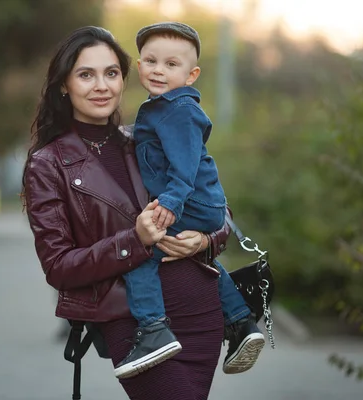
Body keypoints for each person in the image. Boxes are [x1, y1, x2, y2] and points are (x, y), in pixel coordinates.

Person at [23, 26, 232, 399]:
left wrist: (206, 238)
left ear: (124, 78)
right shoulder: (48, 164)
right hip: (135, 325)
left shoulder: (146, 139)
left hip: (200, 312)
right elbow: (58, 267)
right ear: (63, 85)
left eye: (111, 73)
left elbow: (216, 207)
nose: (101, 85)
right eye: (86, 74)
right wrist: (133, 241)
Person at [113, 22, 265, 378]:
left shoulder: (179, 111)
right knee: (194, 255)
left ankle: (153, 330)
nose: (159, 70)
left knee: (141, 252)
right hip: (202, 203)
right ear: (138, 67)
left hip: (190, 201)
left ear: (192, 74)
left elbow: (183, 168)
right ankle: (242, 323)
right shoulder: (160, 108)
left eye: (171, 64)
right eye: (151, 61)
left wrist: (169, 205)